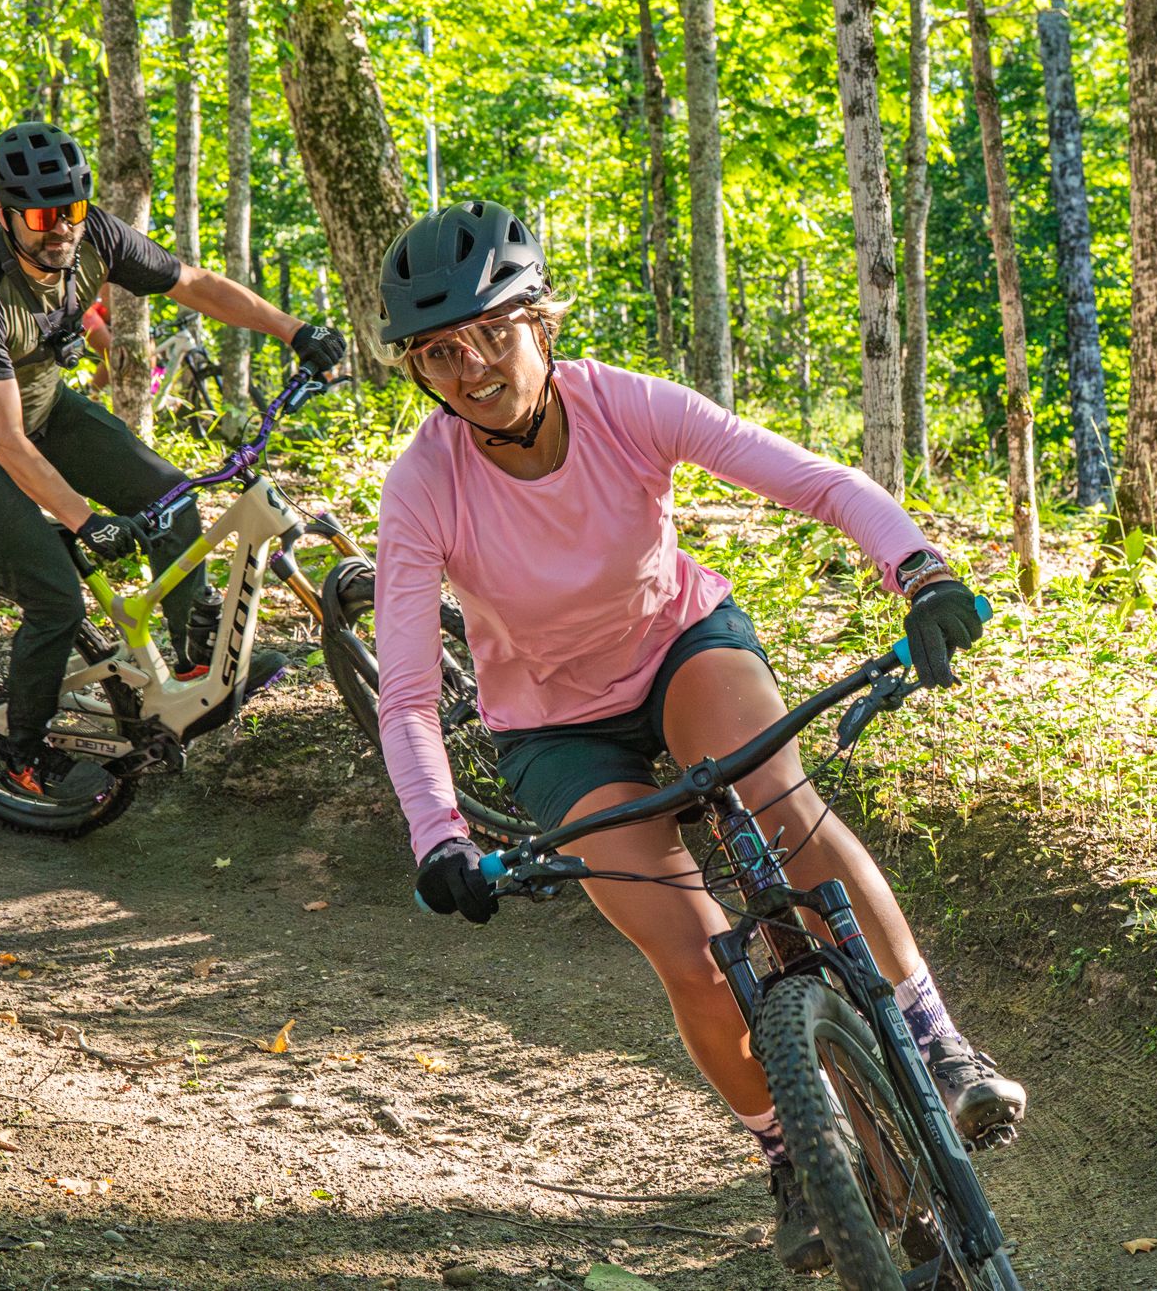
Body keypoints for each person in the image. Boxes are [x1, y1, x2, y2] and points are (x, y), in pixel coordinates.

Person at [366, 200, 1027, 1273]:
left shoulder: (624, 407)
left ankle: (935, 1042)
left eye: (492, 332)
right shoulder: (423, 484)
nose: (471, 367)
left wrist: (920, 570)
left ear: (542, 322)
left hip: (678, 646)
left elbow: (818, 482)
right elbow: (402, 696)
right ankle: (790, 1153)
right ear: (420, 370)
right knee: (687, 952)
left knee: (782, 806)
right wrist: (435, 834)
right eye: (440, 352)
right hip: (551, 724)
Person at [0, 120, 346, 802]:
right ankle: (21, 751)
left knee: (169, 495)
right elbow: (4, 442)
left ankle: (193, 673)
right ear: (4, 214)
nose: (61, 230)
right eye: (43, 216)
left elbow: (192, 283)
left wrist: (292, 329)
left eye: (71, 211)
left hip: (44, 409)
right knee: (55, 593)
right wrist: (83, 522)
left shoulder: (95, 237)